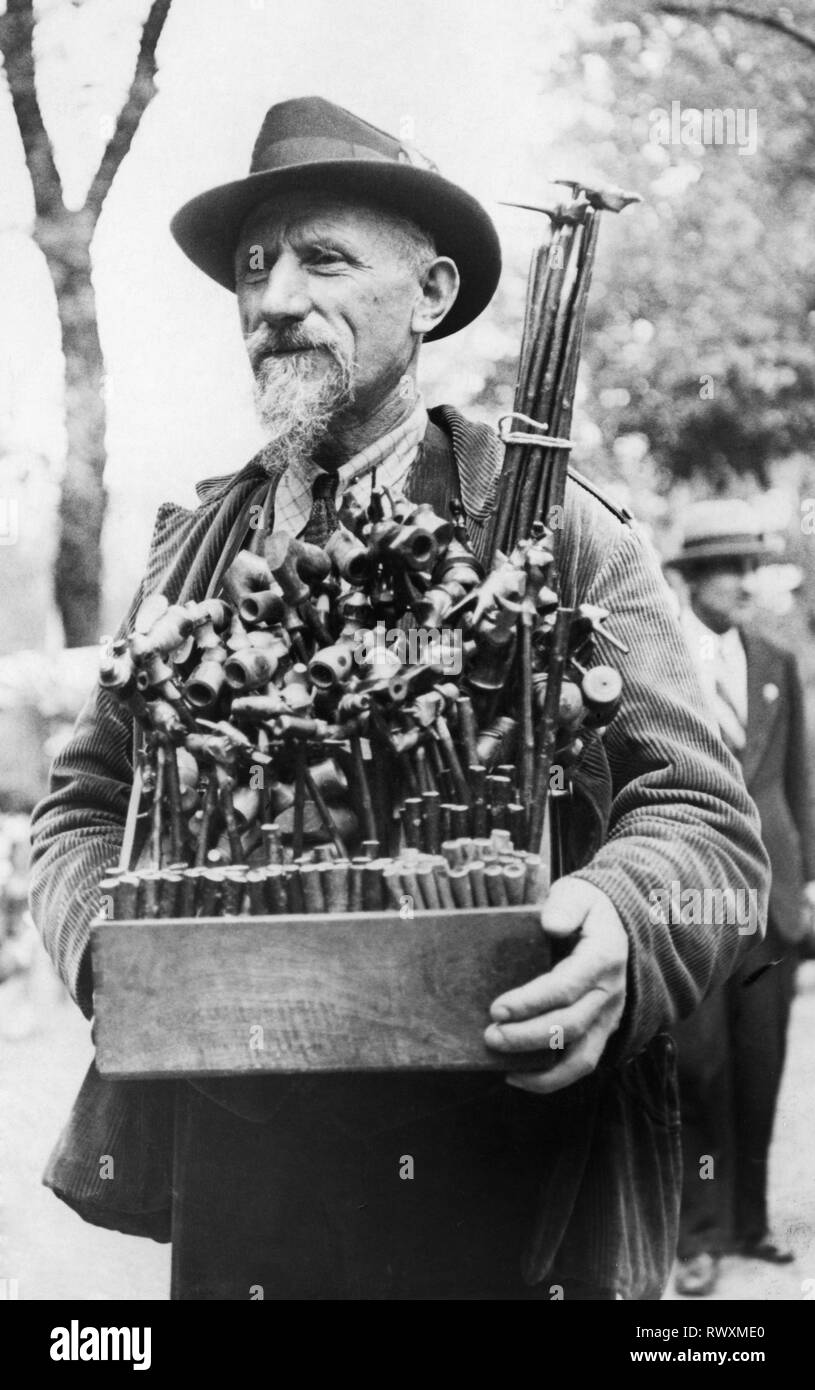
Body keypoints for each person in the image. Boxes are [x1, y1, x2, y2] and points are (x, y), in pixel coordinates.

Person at [29, 97, 769, 1301]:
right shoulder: (185, 556)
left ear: (427, 295)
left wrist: (625, 925)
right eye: (254, 266)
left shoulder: (555, 527)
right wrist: (106, 948)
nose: (272, 301)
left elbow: (707, 825)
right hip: (244, 1187)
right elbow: (78, 813)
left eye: (322, 259)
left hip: (501, 1180)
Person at [666, 499, 815, 1297]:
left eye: (752, 567)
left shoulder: (772, 661)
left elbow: (796, 780)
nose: (744, 583)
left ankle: (752, 1224)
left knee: (760, 1069)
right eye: (728, 567)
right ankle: (699, 1235)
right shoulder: (658, 667)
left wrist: (808, 883)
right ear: (690, 577)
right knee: (698, 1071)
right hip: (691, 902)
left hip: (771, 905)